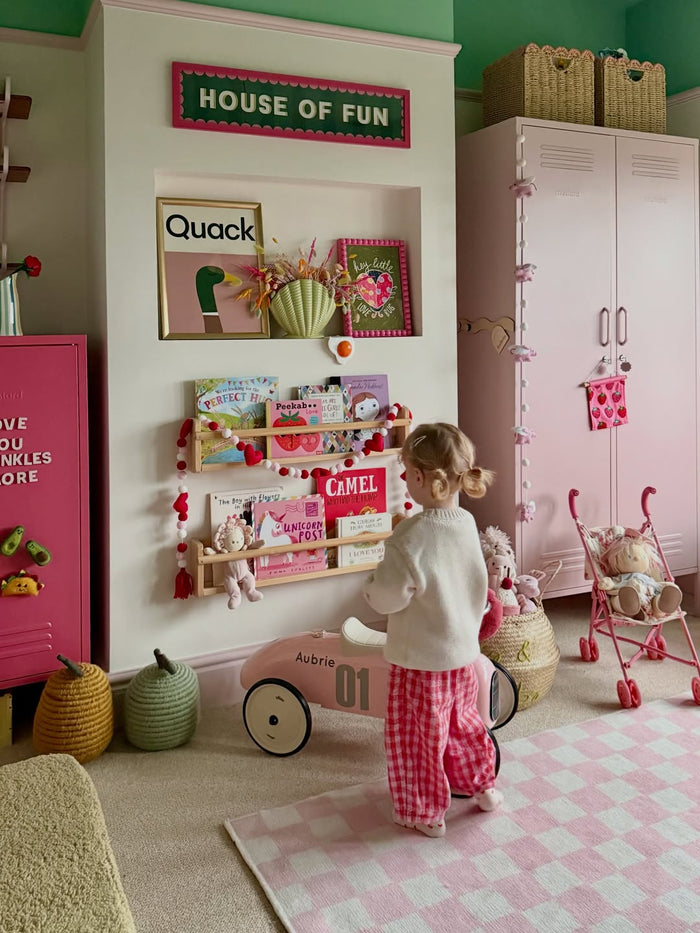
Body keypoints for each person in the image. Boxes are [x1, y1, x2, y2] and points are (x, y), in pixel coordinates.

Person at [363, 422, 503, 838]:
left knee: (416, 740)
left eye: (406, 472)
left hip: (419, 664)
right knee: (463, 724)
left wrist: (371, 587)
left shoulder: (410, 537)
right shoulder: (465, 522)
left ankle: (423, 812)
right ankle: (482, 786)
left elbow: (387, 596)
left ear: (422, 478)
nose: (404, 478)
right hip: (462, 655)